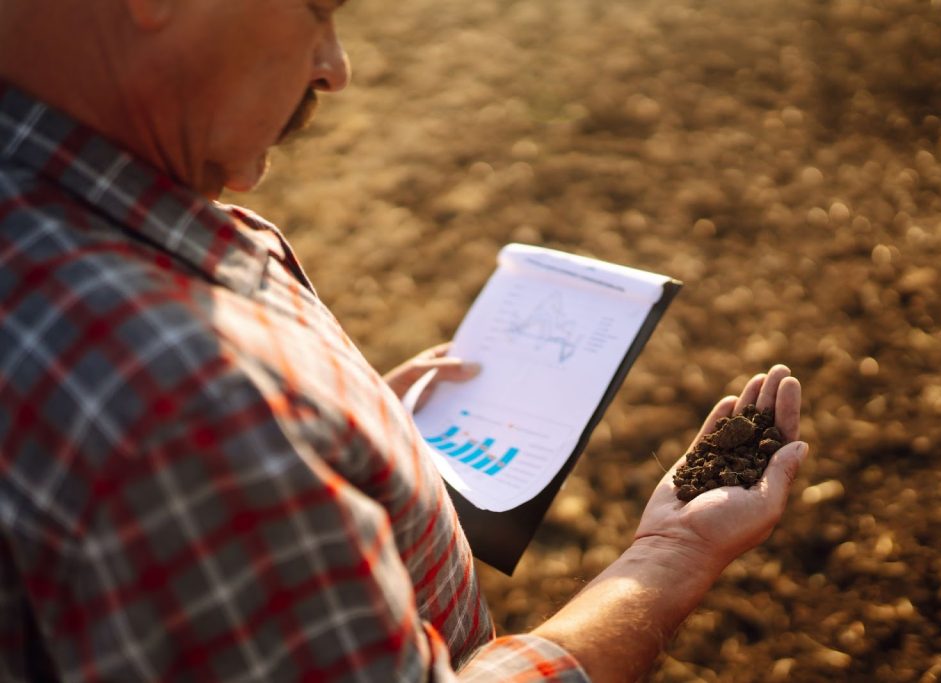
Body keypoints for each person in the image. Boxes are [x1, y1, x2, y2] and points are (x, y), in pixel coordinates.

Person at [0, 1, 809, 681]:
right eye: (319, 9)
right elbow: (195, 442)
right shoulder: (191, 401)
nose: (335, 66)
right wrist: (670, 556)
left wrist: (330, 451)